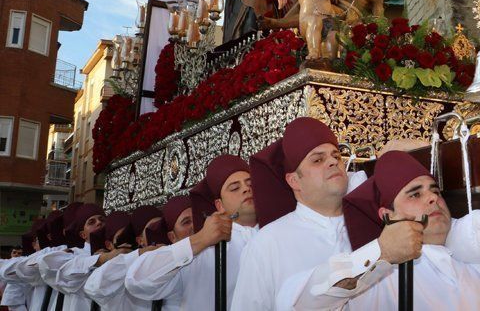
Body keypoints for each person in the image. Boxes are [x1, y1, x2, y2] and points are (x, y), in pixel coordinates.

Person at [337, 150, 480, 310]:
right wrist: (383, 253)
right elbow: (314, 296)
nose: (432, 198)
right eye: (415, 194)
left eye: (435, 191)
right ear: (388, 215)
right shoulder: (377, 280)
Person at [231, 117, 415, 310]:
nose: (332, 162)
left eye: (336, 155)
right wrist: (381, 251)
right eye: (318, 160)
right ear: (294, 180)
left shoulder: (375, 221)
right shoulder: (266, 243)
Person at [125, 155, 258, 310]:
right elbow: (136, 281)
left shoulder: (275, 234)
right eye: (235, 187)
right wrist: (200, 240)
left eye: (250, 184)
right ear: (219, 205)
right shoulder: (201, 250)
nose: (246, 189)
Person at [40, 203, 107, 311]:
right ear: (83, 235)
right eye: (91, 222)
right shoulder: (74, 254)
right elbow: (46, 265)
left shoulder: (117, 254)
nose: (99, 223)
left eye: (102, 220)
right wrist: (98, 259)